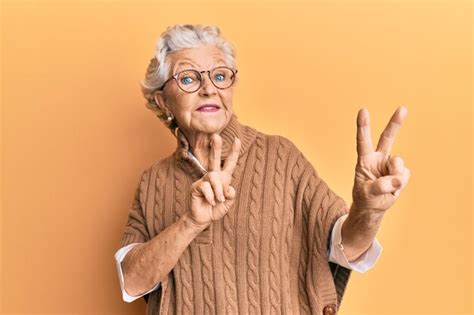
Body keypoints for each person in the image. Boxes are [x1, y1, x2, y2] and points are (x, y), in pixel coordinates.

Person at [114, 24, 410, 315]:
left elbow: (347, 247)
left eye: (220, 76)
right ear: (162, 100)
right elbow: (132, 281)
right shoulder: (153, 181)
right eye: (188, 78)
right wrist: (190, 223)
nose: (208, 89)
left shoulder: (281, 156)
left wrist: (369, 210)